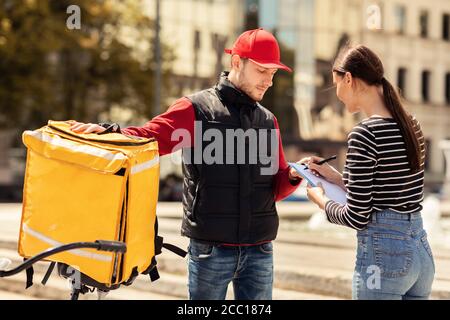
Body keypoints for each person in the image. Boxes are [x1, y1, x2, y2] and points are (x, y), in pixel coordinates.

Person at [69, 28, 303, 300]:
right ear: (237, 62)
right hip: (211, 250)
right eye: (263, 71)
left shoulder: (268, 121)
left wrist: (295, 176)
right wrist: (109, 132)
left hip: (260, 251)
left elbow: (276, 189)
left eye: (273, 74)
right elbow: (148, 138)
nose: (269, 82)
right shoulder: (196, 109)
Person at [292, 45, 434, 300]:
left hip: (384, 258)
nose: (337, 94)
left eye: (336, 84)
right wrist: (335, 177)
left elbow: (357, 216)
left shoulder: (364, 133)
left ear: (348, 79)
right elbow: (390, 190)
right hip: (420, 252)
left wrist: (321, 200)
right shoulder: (412, 125)